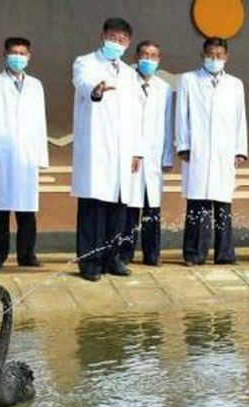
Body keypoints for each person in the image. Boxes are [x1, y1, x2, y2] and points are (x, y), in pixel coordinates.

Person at [71, 17, 143, 281]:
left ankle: (113, 259)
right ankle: (90, 264)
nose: (117, 43)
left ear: (128, 43)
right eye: (113, 38)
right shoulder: (85, 63)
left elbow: (136, 114)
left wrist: (137, 150)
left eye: (122, 40)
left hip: (124, 151)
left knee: (118, 208)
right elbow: (83, 84)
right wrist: (96, 89)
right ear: (103, 36)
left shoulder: (129, 73)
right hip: (96, 149)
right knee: (93, 208)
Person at [175, 36, 248, 266]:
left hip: (224, 151)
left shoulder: (235, 84)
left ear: (226, 57)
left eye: (219, 55)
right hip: (197, 149)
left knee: (223, 203)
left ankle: (224, 254)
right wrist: (183, 144)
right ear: (202, 55)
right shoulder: (188, 80)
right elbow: (181, 114)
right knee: (198, 202)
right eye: (210, 55)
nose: (214, 59)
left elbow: (240, 119)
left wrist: (239, 149)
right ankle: (194, 253)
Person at [0, 36, 49, 269]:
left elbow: (40, 122)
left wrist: (40, 156)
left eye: (22, 53)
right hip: (3, 153)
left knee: (26, 209)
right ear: (5, 55)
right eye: (14, 53)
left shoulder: (36, 85)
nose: (18, 57)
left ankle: (26, 254)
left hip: (27, 155)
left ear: (29, 56)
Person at [119, 41, 173, 267]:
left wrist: (167, 156)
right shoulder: (125, 83)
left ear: (159, 60)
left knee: (152, 207)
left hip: (154, 155)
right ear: (136, 56)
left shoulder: (164, 88)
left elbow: (167, 124)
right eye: (145, 55)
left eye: (153, 56)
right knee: (129, 208)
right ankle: (124, 253)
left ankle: (152, 254)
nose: (148, 60)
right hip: (130, 154)